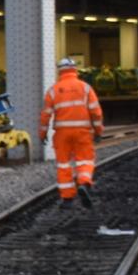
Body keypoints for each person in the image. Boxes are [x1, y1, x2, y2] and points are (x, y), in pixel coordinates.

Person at [39, 56, 103, 208]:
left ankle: (67, 199)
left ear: (60, 72)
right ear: (75, 70)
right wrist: (98, 131)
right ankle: (84, 184)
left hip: (62, 134)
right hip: (82, 132)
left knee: (63, 165)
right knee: (85, 160)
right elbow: (96, 112)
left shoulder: (53, 90)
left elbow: (45, 115)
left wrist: (42, 134)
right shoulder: (85, 88)